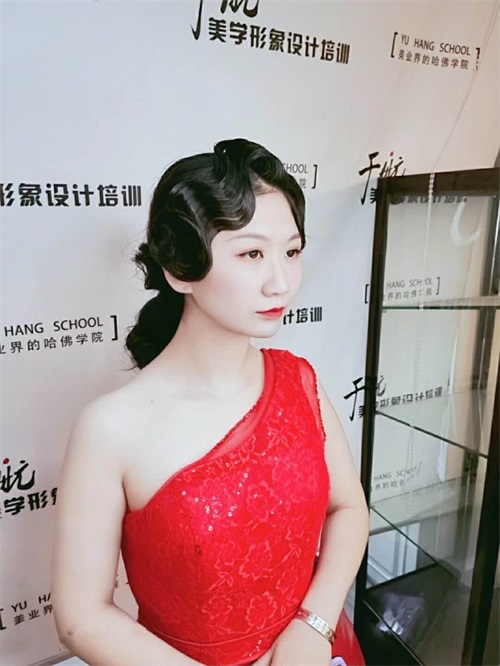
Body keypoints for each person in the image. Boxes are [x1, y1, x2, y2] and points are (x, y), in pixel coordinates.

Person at [52, 138, 369, 666]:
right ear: (180, 268)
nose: (281, 282)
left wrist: (313, 624)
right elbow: (81, 617)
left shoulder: (300, 381)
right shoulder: (111, 428)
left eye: (292, 252)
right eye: (251, 254)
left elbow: (349, 507)